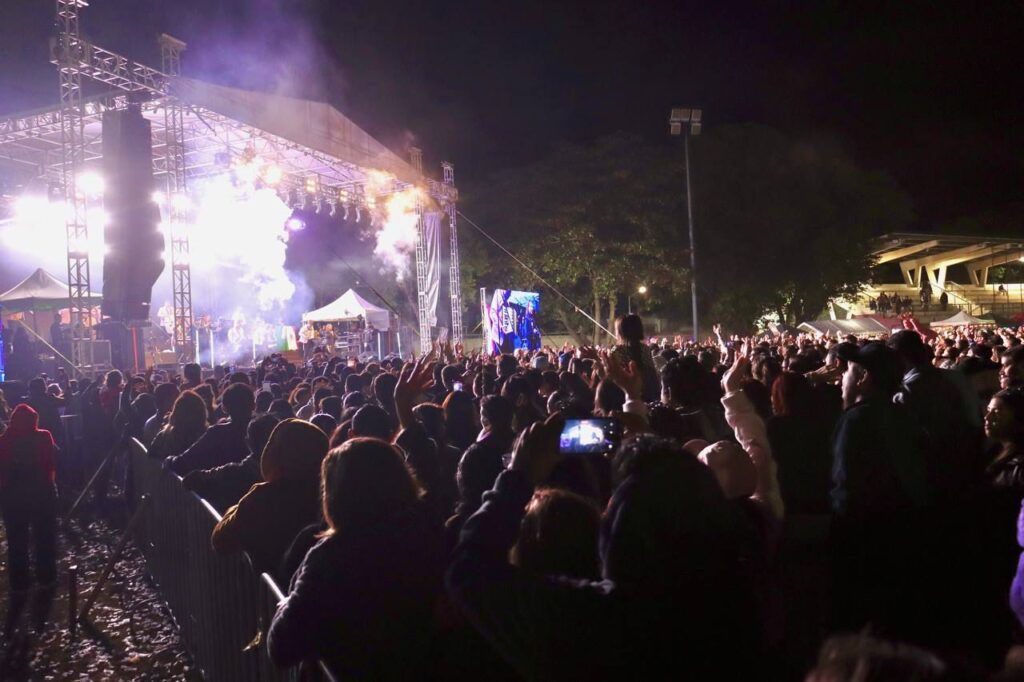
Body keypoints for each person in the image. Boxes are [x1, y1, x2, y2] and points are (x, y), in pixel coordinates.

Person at [447, 423, 763, 680]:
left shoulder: (599, 625)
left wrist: (518, 476)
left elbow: (469, 572)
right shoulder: (747, 606)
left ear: (621, 530)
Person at [268, 438, 442, 679]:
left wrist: (286, 606)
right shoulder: (430, 534)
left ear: (337, 495)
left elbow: (282, 646)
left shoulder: (332, 557)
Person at [830, 342, 928, 636]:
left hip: (865, 537)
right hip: (901, 530)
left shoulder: (857, 420)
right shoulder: (902, 413)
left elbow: (846, 486)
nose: (842, 379)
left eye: (847, 371)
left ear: (863, 377)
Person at [211, 419, 328, 578]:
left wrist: (235, 508)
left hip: (266, 590)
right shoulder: (329, 497)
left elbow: (221, 540)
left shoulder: (262, 496)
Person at [0, 404, 58, 635]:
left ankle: (19, 584)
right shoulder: (43, 437)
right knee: (44, 537)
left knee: (17, 542)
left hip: (12, 498)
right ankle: (46, 577)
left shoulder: (4, 441)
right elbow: (50, 464)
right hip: (41, 494)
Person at [166, 383, 254, 476]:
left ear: (224, 408)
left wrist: (169, 460)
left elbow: (183, 461)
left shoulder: (217, 433)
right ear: (253, 405)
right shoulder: (261, 429)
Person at [610, 314, 660, 403]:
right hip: (650, 395)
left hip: (626, 398)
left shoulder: (616, 351)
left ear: (621, 331)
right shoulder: (646, 349)